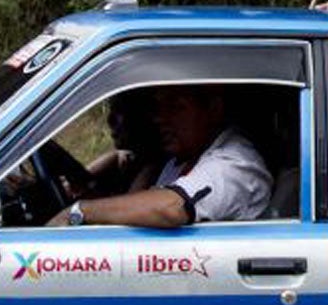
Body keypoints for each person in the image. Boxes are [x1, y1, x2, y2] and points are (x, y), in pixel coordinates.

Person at [53, 86, 271, 228]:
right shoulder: (183, 158)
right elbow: (131, 186)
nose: (161, 118)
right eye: (159, 107)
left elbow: (172, 207)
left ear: (213, 109)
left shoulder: (234, 164)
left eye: (176, 107)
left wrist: (80, 211)